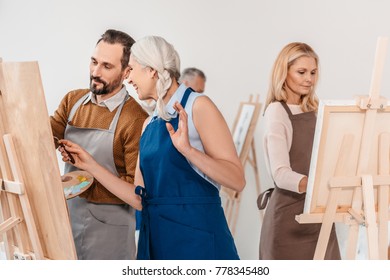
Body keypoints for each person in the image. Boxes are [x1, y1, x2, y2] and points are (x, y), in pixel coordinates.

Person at [59, 35, 245, 260]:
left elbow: (237, 180)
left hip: (197, 239)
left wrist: (188, 150)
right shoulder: (150, 122)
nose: (127, 78)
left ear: (152, 71)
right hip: (156, 240)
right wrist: (90, 165)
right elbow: (139, 198)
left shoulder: (199, 106)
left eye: (132, 69)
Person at [50, 29, 148, 260]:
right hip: (67, 219)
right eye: (94, 62)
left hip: (109, 230)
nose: (95, 72)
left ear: (126, 72)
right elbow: (45, 136)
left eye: (107, 66)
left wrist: (90, 170)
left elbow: (138, 193)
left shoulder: (135, 119)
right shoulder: (73, 101)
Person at [257, 42, 340, 260]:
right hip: (288, 220)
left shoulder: (315, 110)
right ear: (284, 73)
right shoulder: (277, 111)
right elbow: (281, 174)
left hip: (319, 216)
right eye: (301, 72)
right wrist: (320, 187)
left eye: (313, 73)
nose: (309, 79)